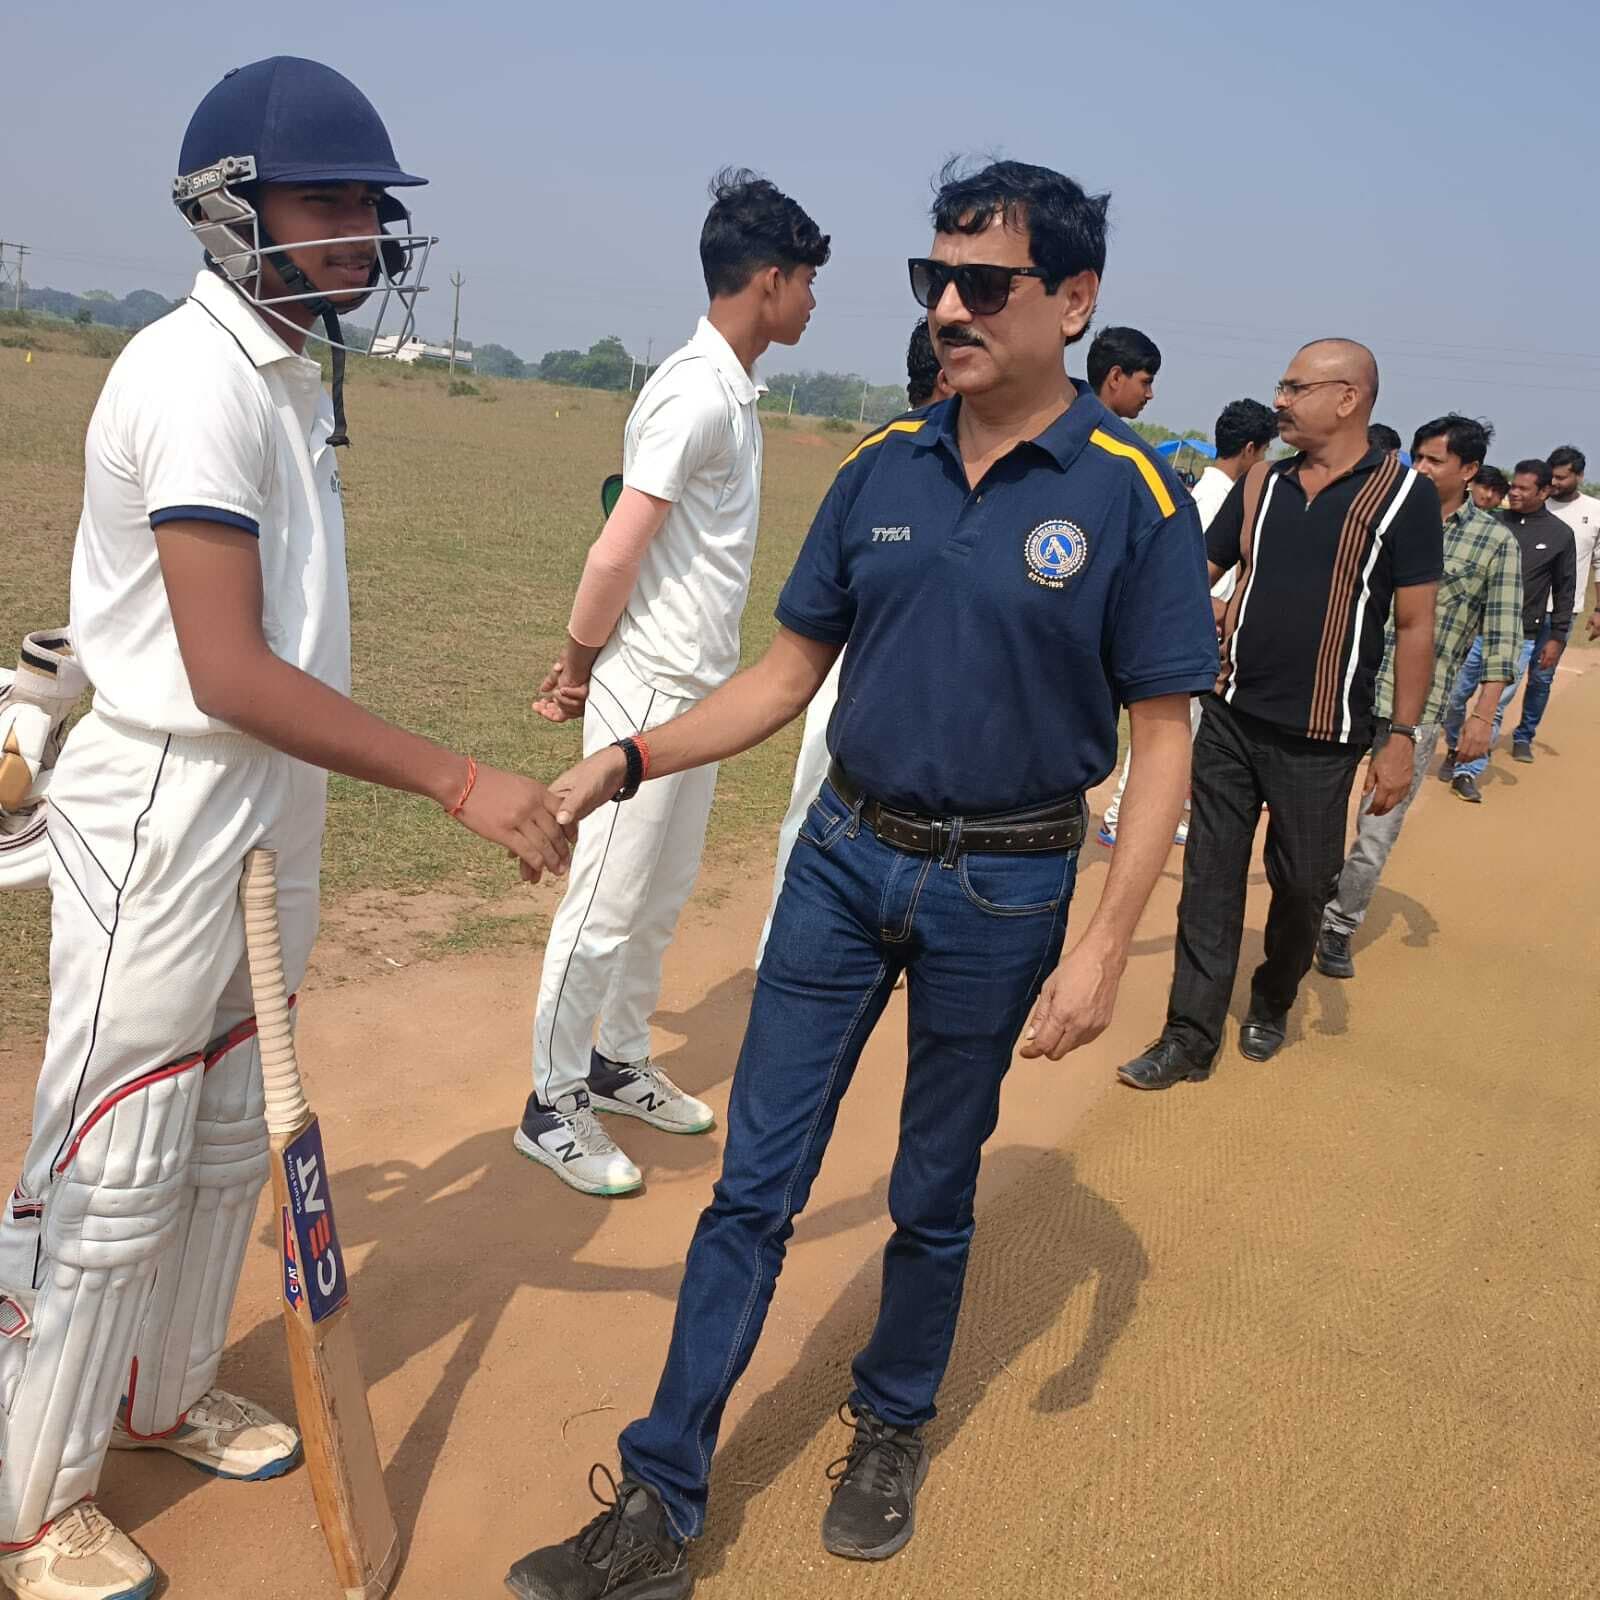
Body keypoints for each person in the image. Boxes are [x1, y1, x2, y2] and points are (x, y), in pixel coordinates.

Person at [504, 158, 1218, 1600]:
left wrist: (1100, 948)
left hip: (1006, 890)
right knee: (751, 1193)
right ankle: (658, 1497)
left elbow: (1161, 748)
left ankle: (889, 1425)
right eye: (931, 280)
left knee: (933, 1194)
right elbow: (780, 678)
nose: (949, 307)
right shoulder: (876, 468)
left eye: (985, 284)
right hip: (843, 861)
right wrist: (619, 759)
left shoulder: (1134, 496)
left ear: (1073, 301)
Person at [0, 58, 576, 1600]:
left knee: (220, 1139)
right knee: (113, 1163)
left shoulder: (293, 364)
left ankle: (164, 1397)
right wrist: (463, 782)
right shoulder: (189, 377)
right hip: (168, 799)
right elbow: (225, 668)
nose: (364, 231)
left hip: (268, 797)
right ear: (226, 210)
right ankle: (27, 1503)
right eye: (329, 201)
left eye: (371, 206)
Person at [518, 171, 830, 1197]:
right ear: (769, 280)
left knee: (659, 895)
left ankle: (615, 1059)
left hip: (697, 692)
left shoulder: (731, 389)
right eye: (808, 282)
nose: (815, 303)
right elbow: (617, 548)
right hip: (644, 688)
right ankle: (550, 1100)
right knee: (604, 899)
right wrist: (576, 662)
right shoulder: (694, 391)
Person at [1117, 338, 1443, 1089]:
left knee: (1302, 886)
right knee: (1208, 876)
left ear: (1348, 398)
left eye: (1296, 388)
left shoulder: (1403, 497)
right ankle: (1188, 1036)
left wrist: (1401, 737)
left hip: (1324, 738)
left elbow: (1417, 625)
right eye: (1282, 387)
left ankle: (1272, 994)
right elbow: (1202, 568)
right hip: (1231, 718)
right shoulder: (1260, 482)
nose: (1282, 402)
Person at [753, 320, 951, 968]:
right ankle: (785, 950)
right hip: (850, 670)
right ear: (946, 373)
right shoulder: (880, 460)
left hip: (912, 684)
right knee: (820, 804)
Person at [1315, 416, 1520, 978]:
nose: (1420, 469)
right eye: (1418, 458)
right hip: (1341, 691)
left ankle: (1338, 925)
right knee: (1315, 812)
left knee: (1375, 828)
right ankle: (1307, 902)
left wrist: (1482, 715)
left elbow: (1503, 636)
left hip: (1415, 712)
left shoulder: (1494, 543)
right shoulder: (1382, 516)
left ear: (1470, 470)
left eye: (1434, 461)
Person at [1099, 396, 1277, 847]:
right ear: (1252, 449)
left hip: (1191, 626)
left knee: (1177, 734)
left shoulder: (1201, 491)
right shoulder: (1217, 499)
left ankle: (1154, 813)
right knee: (1165, 734)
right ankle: (1122, 817)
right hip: (1191, 628)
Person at [1437, 459, 1574, 801]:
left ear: (1545, 491)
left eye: (1524, 488)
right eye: (1513, 485)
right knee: (1453, 699)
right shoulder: (1491, 523)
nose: (1513, 492)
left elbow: (1565, 589)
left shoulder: (1559, 535)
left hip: (1521, 637)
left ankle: (1468, 770)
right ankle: (1455, 745)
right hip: (1473, 631)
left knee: (1492, 707)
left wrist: (1557, 637)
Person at [1506, 445, 1597, 760]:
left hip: (1561, 611)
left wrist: (1598, 609)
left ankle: (1523, 736)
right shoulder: (1526, 507)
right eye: (1552, 478)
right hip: (1519, 607)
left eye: (1562, 477)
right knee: (1504, 676)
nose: (1555, 484)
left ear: (1579, 476)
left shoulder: (1594, 512)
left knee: (1541, 677)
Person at [1087, 324, 1161, 419]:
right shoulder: (1099, 432)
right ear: (1116, 378)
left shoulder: (1071, 423)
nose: (1149, 394)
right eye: (1145, 382)